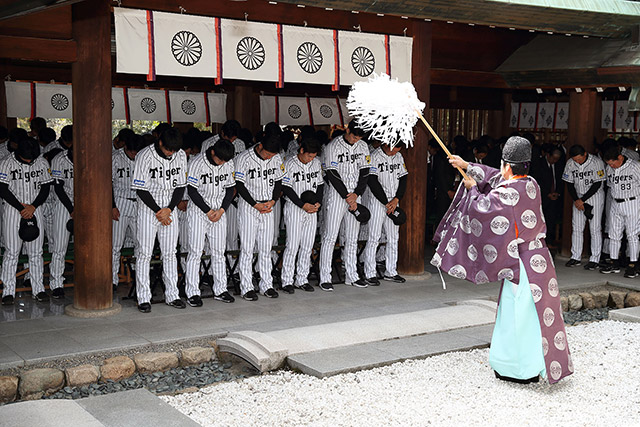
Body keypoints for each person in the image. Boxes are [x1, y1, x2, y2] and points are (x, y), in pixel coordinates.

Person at [432, 136, 572, 385]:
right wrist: (467, 165)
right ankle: (539, 365)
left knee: (518, 315)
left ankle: (519, 369)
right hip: (539, 259)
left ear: (508, 165)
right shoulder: (531, 184)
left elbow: (481, 207)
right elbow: (498, 177)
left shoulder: (507, 193)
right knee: (538, 314)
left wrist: (470, 188)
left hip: (522, 263)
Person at [131, 127, 187, 313]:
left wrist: (169, 209)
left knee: (170, 252)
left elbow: (180, 186)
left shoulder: (180, 155)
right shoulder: (144, 156)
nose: (171, 153)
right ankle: (143, 297)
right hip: (149, 209)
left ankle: (173, 295)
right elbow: (141, 189)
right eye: (168, 149)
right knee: (144, 253)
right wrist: (159, 211)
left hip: (169, 208)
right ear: (160, 142)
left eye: (174, 150)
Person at [0, 137, 53, 305]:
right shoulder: (6, 163)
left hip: (34, 208)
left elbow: (46, 186)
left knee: (36, 252)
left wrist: (33, 206)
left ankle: (39, 289)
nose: (30, 160)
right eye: (26, 158)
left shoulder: (41, 162)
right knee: (12, 251)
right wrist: (21, 207)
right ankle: (8, 291)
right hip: (13, 209)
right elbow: (2, 188)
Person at [318, 120, 369, 291]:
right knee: (330, 236)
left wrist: (356, 195)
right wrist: (348, 196)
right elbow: (332, 173)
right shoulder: (333, 146)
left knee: (352, 238)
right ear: (347, 130)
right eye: (354, 136)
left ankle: (352, 275)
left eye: (359, 137)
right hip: (337, 195)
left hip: (355, 194)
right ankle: (325, 277)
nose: (356, 139)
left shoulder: (363, 146)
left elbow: (365, 171)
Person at [185, 138, 236, 305]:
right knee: (195, 252)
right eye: (220, 159)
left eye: (225, 160)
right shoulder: (197, 162)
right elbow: (192, 191)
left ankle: (221, 289)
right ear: (213, 152)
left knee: (219, 252)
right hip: (200, 212)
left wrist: (222, 210)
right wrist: (208, 211)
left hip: (219, 211)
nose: (222, 163)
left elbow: (230, 189)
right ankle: (192, 292)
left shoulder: (227, 163)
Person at [234, 133, 284, 301]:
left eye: (272, 154)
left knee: (265, 248)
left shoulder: (276, 158)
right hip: (249, 206)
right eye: (267, 153)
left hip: (268, 206)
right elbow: (239, 185)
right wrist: (255, 204)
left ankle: (266, 285)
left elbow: (279, 181)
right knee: (247, 249)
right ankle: (246, 287)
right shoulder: (244, 157)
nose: (269, 157)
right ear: (260, 146)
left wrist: (273, 200)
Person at [281, 136, 324, 293]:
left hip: (311, 209)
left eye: (313, 156)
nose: (311, 158)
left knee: (307, 246)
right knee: (292, 245)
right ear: (301, 150)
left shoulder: (316, 163)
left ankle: (302, 279)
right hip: (295, 208)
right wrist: (302, 204)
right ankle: (287, 280)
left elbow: (320, 185)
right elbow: (286, 187)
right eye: (309, 155)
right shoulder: (289, 163)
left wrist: (317, 203)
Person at [363, 143, 408, 285]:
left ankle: (391, 271)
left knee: (393, 237)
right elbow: (372, 181)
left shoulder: (398, 156)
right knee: (374, 237)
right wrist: (386, 202)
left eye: (398, 150)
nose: (395, 152)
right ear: (387, 144)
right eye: (394, 149)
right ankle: (369, 273)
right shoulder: (374, 156)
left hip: (393, 201)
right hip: (377, 202)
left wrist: (396, 199)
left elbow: (404, 178)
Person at [562, 145, 606, 270]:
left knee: (595, 228)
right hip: (578, 197)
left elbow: (597, 184)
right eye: (575, 159)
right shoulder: (570, 163)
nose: (577, 162)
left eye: (579, 159)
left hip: (594, 196)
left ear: (585, 154)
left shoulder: (596, 162)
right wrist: (577, 200)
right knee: (576, 227)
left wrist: (582, 200)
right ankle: (575, 257)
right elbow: (569, 183)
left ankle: (595, 259)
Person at [600, 146, 640, 277]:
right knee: (613, 234)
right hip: (615, 203)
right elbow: (610, 186)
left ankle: (633, 264)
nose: (611, 165)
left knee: (632, 235)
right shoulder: (609, 168)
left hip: (632, 202)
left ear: (620, 158)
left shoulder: (635, 166)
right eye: (609, 164)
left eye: (613, 162)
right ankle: (614, 262)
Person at [112, 134, 145, 290]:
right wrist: (111, 206)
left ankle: (141, 278)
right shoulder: (115, 158)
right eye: (132, 152)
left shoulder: (142, 157)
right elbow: (107, 184)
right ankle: (112, 280)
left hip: (139, 202)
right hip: (120, 202)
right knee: (116, 245)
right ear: (125, 147)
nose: (134, 155)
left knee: (141, 244)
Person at [49, 141, 75, 299]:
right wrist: (72, 209)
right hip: (64, 204)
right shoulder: (59, 159)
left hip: (86, 205)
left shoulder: (89, 156)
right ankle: (56, 282)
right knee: (60, 246)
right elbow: (58, 187)